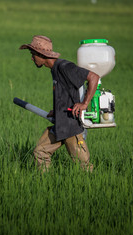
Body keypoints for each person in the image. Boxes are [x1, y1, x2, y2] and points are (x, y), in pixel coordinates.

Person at [19, 35, 100, 172]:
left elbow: (93, 77)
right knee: (40, 153)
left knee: (83, 166)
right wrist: (56, 111)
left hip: (70, 127)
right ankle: (43, 185)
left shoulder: (65, 67)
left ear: (41, 54)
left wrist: (84, 104)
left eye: (33, 55)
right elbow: (66, 94)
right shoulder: (54, 69)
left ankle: (91, 186)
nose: (32, 58)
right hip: (60, 123)